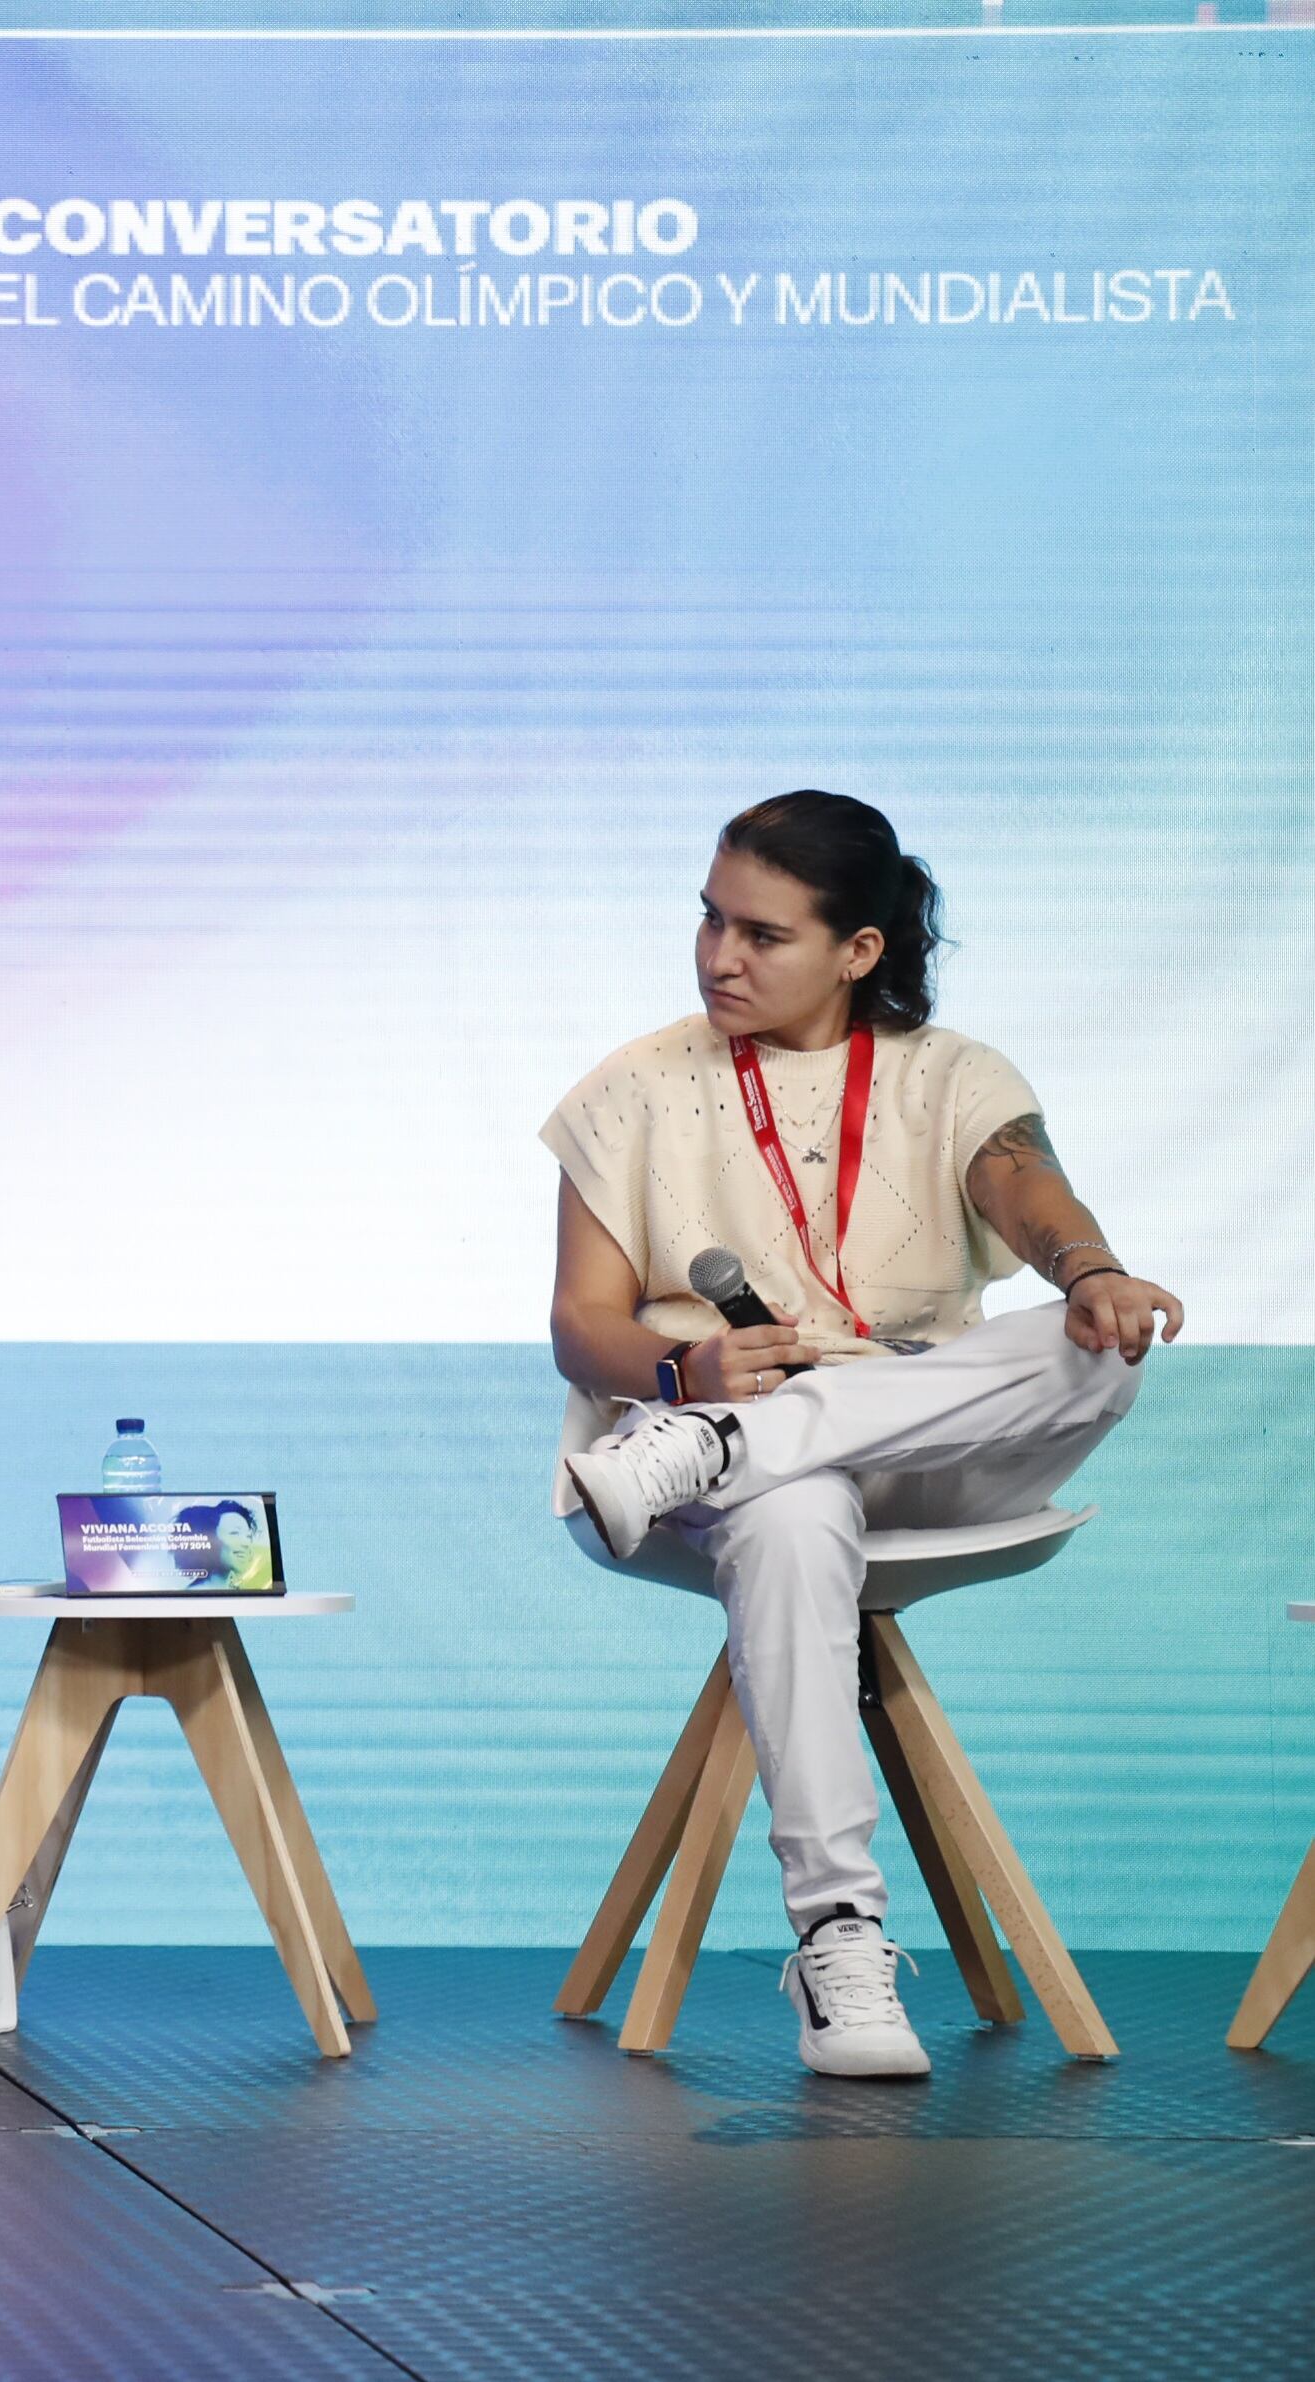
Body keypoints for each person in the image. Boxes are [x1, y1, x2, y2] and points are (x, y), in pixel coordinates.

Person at [545, 791, 1179, 2080]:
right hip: (681, 1463)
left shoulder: (954, 1078)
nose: (722, 957)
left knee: (1099, 1343)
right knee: (788, 1508)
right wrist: (689, 1371)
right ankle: (840, 1935)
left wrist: (1093, 1268)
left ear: (860, 951)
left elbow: (1028, 1189)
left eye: (764, 935)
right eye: (711, 921)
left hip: (915, 1442)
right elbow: (579, 1329)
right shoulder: (633, 1092)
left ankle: (733, 1443)